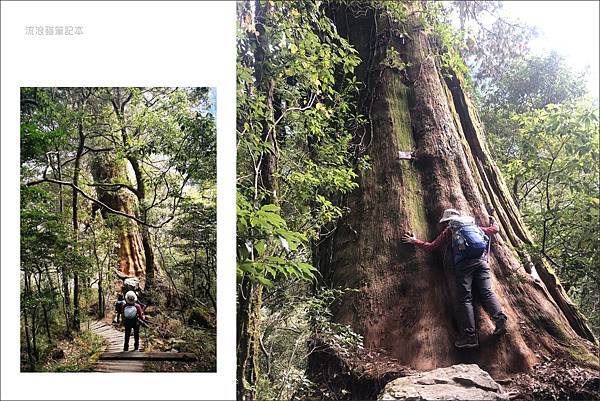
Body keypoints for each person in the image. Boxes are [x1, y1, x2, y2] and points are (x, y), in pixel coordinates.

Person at [402, 208, 507, 349]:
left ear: (447, 221)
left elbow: (432, 246)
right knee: (487, 292)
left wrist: (415, 241)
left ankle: (470, 336)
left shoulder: (450, 230)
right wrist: (494, 221)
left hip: (464, 266)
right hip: (482, 262)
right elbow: (494, 230)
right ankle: (500, 320)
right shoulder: (473, 226)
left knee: (465, 298)